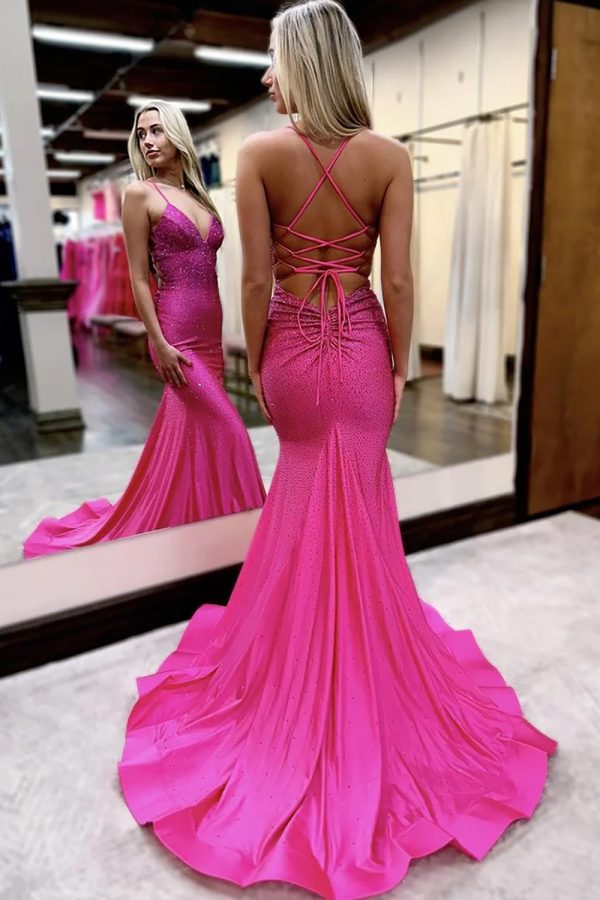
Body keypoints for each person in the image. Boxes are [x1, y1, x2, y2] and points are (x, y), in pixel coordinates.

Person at [118, 5, 557, 898]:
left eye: (273, 61)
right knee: (358, 501)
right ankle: (361, 673)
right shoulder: (389, 157)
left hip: (290, 348)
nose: (266, 77)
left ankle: (301, 672)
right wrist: (399, 367)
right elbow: (399, 278)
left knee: (299, 496)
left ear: (303, 63)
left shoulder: (256, 156)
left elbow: (253, 279)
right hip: (360, 347)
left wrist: (259, 363)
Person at [23, 101, 265, 559]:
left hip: (209, 330)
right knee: (230, 428)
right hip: (175, 332)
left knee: (194, 433)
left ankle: (199, 522)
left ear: (177, 134)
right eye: (142, 134)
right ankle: (257, 532)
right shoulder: (139, 194)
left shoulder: (200, 196)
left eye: (156, 131)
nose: (148, 141)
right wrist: (158, 340)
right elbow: (138, 276)